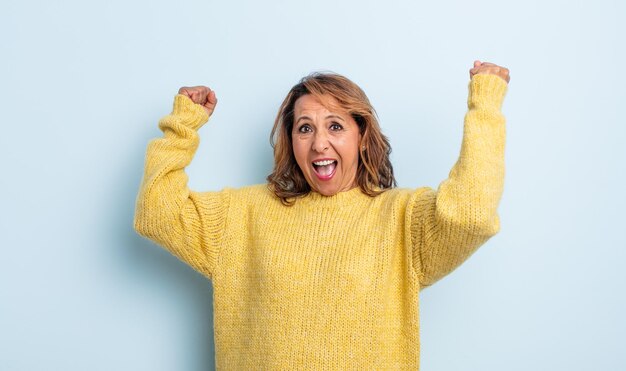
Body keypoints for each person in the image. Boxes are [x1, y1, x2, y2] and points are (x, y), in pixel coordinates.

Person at [133, 60, 510, 370]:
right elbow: (157, 212)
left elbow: (471, 215)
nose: (319, 143)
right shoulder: (241, 215)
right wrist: (182, 127)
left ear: (361, 135)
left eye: (335, 126)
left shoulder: (401, 219)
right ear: (290, 140)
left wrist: (485, 108)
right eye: (304, 128)